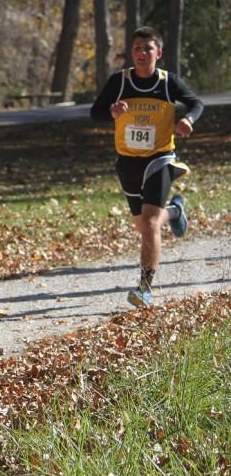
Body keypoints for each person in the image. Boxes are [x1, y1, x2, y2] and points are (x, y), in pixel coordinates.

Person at [90, 26, 204, 308]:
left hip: (160, 157)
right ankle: (175, 211)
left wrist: (188, 119)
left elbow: (195, 102)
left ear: (158, 53)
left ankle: (144, 288)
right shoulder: (119, 81)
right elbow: (95, 112)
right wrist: (111, 113)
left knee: (150, 222)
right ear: (132, 53)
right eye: (137, 48)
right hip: (127, 161)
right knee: (143, 224)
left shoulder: (168, 82)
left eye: (147, 49)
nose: (141, 53)